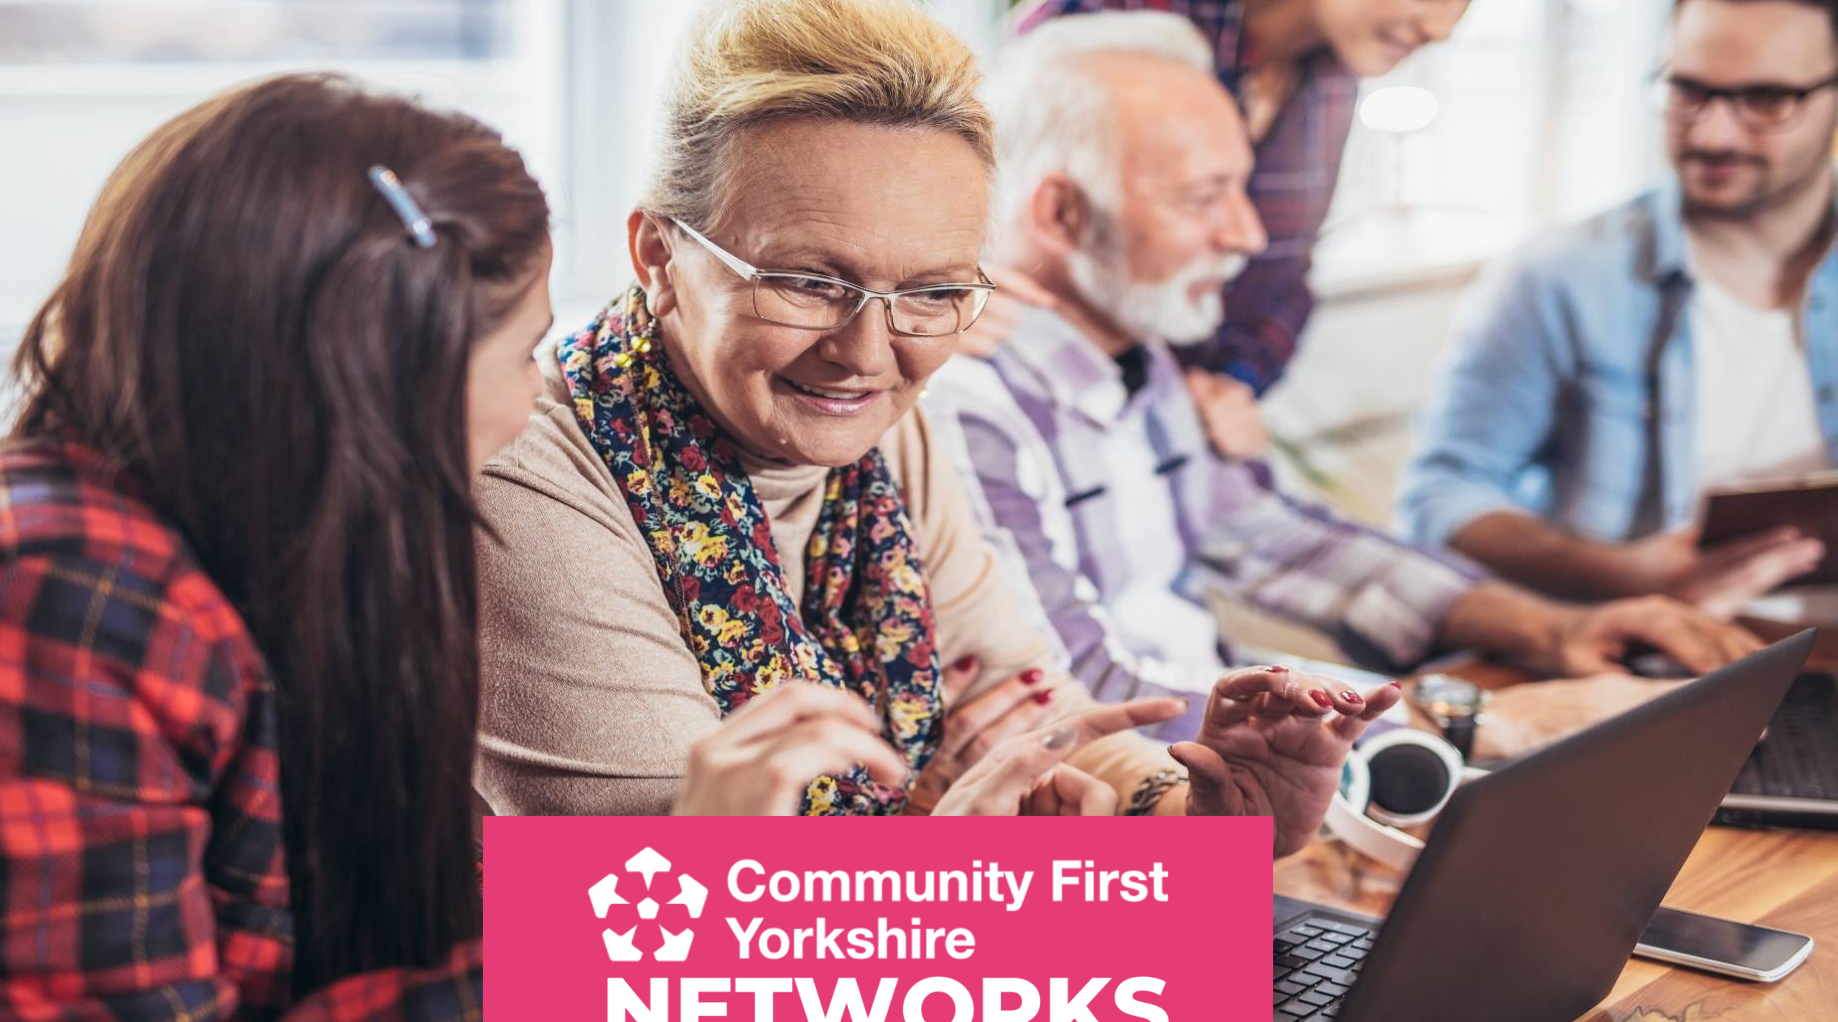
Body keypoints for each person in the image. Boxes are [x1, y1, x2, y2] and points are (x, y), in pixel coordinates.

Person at [0, 73, 1046, 1022]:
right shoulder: (51, 592)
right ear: (357, 373)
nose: (530, 406)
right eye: (515, 355)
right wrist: (679, 905)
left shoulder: (282, 540)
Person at [474, 0, 1400, 855]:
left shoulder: (879, 434)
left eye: (934, 293)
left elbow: (1015, 708)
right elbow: (672, 935)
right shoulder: (531, 487)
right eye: (807, 282)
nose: (868, 353)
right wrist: (954, 861)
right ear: (658, 256)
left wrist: (1202, 815)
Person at [923, 11, 1762, 742]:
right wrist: (1469, 720)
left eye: (1243, 190)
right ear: (1061, 213)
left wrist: (1555, 630)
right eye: (1202, 197)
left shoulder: (1147, 365)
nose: (1248, 234)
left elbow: (1283, 541)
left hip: (1221, 780)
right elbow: (1082, 703)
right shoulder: (966, 412)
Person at [1397, 0, 1838, 618]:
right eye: (1687, 90)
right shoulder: (1558, 277)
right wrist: (1624, 575)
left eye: (1766, 98)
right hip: (1638, 663)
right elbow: (1439, 498)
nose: (1713, 133)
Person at [967, 0, 1471, 461]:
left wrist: (1234, 385)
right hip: (1058, 417)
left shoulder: (1335, 81)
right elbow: (984, 204)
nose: (1441, 29)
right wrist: (946, 290)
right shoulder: (1111, 19)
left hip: (1193, 432)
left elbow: (1290, 272)